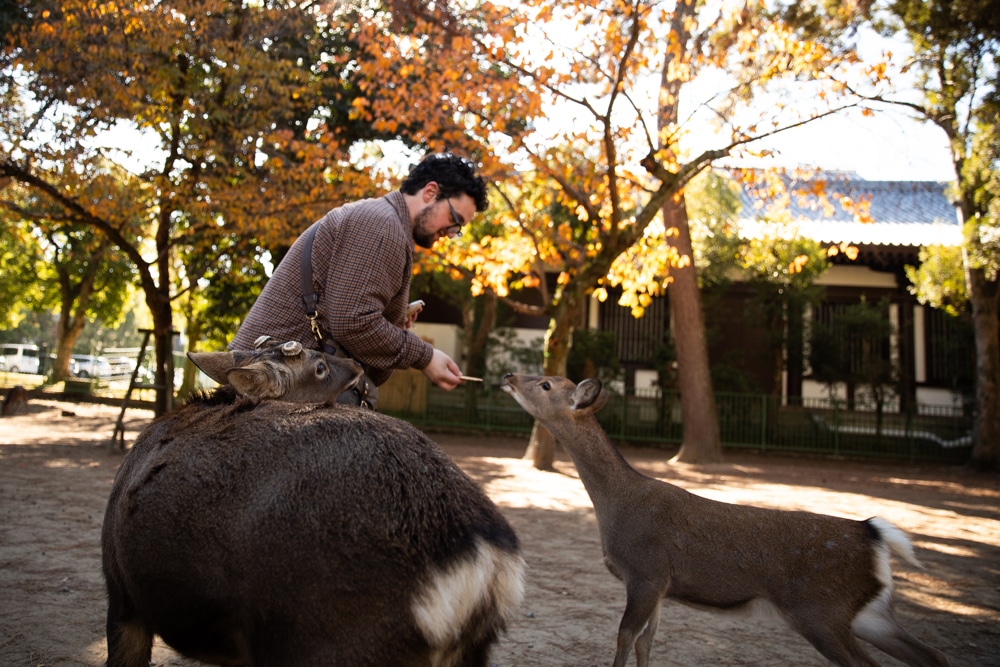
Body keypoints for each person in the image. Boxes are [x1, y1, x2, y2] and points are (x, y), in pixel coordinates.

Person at [229, 152, 488, 407]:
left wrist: (394, 322)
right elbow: (354, 322)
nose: (451, 233)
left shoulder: (382, 221)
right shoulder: (381, 225)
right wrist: (426, 357)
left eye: (458, 229)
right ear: (430, 192)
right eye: (454, 220)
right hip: (273, 390)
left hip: (281, 388)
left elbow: (346, 315)